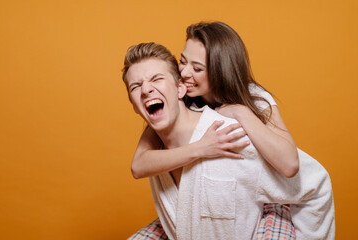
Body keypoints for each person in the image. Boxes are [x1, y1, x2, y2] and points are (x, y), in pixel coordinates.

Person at [122, 42, 335, 239]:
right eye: (135, 86)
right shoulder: (159, 146)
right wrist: (199, 148)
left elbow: (312, 181)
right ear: (133, 104)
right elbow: (138, 166)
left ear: (180, 88)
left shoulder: (229, 135)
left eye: (157, 79)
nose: (146, 89)